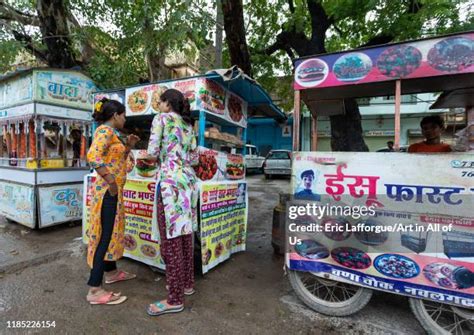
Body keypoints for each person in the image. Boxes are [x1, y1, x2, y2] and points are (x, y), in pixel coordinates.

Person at [146, 89, 198, 316]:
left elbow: (151, 152)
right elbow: (194, 159)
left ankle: (174, 298)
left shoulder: (161, 119)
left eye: (160, 102)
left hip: (169, 184)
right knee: (186, 235)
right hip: (188, 183)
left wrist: (143, 157)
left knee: (171, 240)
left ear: (168, 104)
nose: (158, 106)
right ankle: (186, 284)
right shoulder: (188, 126)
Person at [85, 98, 140, 305]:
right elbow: (94, 157)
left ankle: (111, 273)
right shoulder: (105, 132)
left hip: (112, 193)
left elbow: (116, 162)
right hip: (108, 193)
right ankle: (94, 289)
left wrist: (128, 147)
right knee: (104, 237)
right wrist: (111, 182)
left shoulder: (112, 135)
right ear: (115, 115)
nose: (125, 118)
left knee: (110, 232)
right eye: (124, 115)